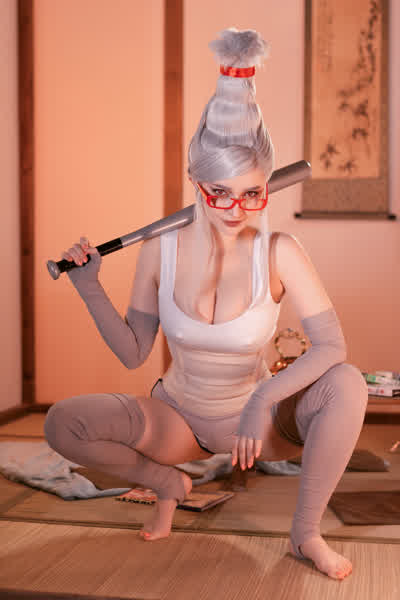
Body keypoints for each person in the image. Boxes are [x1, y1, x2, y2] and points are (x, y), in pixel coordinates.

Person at [44, 28, 368, 581]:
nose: (236, 209)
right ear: (196, 183)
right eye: (220, 193)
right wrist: (89, 286)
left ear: (267, 187)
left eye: (251, 193)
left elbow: (332, 346)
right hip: (177, 418)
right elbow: (133, 352)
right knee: (62, 424)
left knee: (348, 382)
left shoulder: (281, 251)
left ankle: (306, 533)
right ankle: (167, 483)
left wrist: (264, 398)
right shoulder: (160, 250)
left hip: (256, 424)